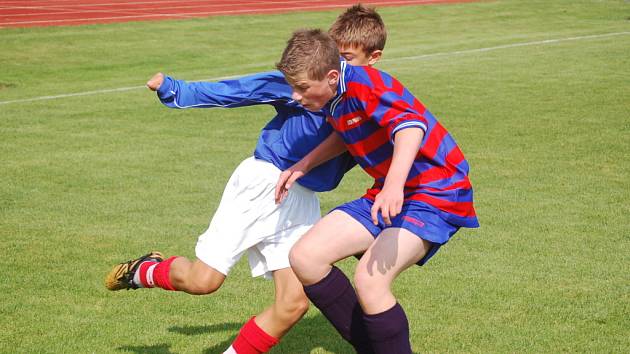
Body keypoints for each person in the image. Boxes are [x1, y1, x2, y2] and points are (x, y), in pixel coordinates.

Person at [104, 5, 387, 354]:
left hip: (303, 201)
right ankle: (144, 270)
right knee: (203, 282)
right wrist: (174, 89)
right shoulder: (306, 80)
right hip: (263, 184)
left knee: (294, 305)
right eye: (334, 55)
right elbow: (238, 91)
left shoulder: (369, 98)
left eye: (346, 57)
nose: (337, 67)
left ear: (373, 57)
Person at [274, 29, 479, 353]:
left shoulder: (367, 84)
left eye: (301, 88)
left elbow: (411, 128)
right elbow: (347, 132)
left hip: (436, 190)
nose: (296, 96)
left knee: (370, 281)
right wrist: (304, 164)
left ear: (330, 76)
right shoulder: (334, 95)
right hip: (390, 189)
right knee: (306, 257)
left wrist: (394, 185)